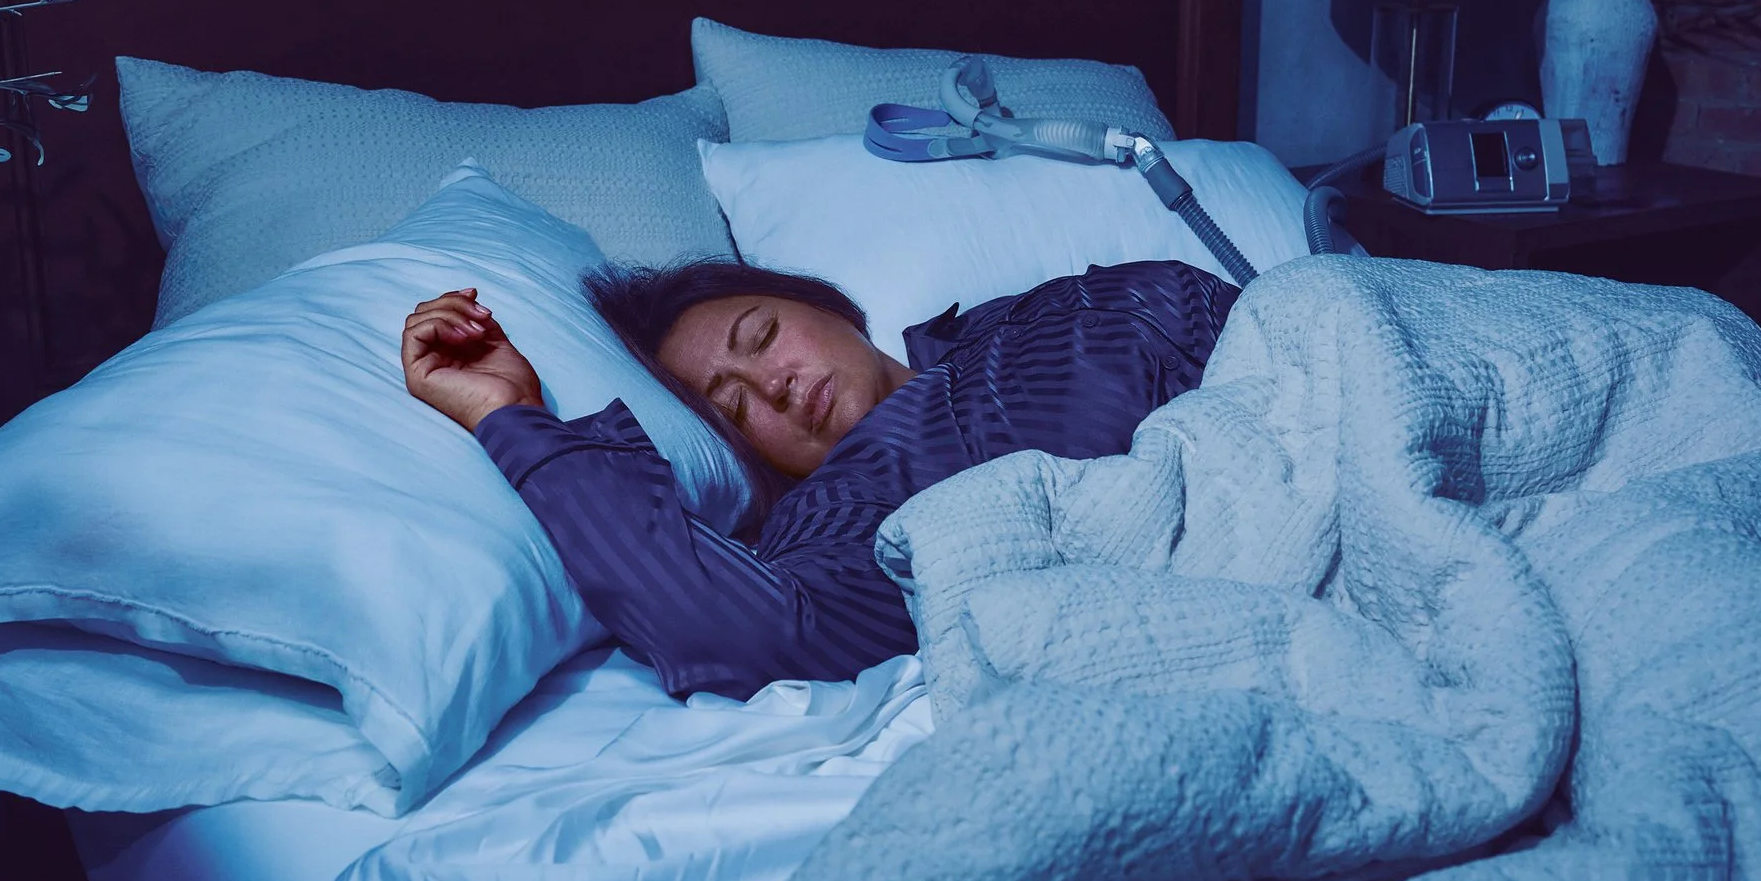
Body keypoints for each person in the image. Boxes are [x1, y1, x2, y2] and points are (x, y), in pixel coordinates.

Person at [402, 259, 1238, 698]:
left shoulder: (1067, 309)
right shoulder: (842, 512)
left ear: (826, 304)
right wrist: (512, 415)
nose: (772, 386)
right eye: (734, 408)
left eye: (762, 336)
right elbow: (740, 627)